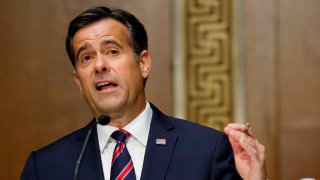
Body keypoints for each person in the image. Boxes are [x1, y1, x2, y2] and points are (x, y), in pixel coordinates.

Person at [21, 6, 266, 180]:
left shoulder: (206, 151)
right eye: (86, 57)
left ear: (144, 63)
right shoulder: (46, 167)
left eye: (113, 51)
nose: (99, 65)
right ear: (78, 81)